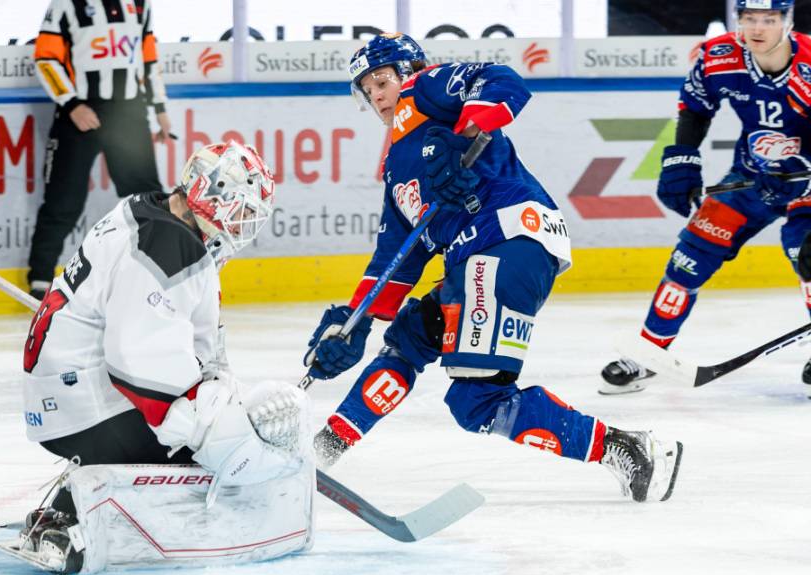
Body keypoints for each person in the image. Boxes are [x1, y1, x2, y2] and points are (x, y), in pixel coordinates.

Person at [304, 33, 683, 503]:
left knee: (476, 400)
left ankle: (628, 448)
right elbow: (395, 258)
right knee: (407, 340)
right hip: (476, 258)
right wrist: (353, 323)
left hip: (507, 239)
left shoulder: (427, 89)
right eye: (368, 89)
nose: (378, 94)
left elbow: (501, 80)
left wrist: (466, 134)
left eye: (382, 80)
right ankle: (323, 449)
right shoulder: (397, 167)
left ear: (408, 70)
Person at [7, 143, 313, 573]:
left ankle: (65, 507)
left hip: (65, 396)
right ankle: (75, 520)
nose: (244, 226)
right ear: (214, 195)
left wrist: (214, 394)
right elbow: (137, 362)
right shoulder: (168, 243)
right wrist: (211, 429)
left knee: (202, 427)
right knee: (205, 455)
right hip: (85, 406)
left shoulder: (151, 212)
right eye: (243, 211)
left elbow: (178, 341)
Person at [600, 0, 811, 396]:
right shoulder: (721, 56)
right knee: (690, 257)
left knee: (805, 252)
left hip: (809, 184)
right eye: (749, 18)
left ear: (789, 20)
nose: (758, 28)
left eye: (769, 19)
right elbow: (695, 108)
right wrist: (682, 161)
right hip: (751, 178)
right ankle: (650, 352)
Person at [28, 0, 174, 300]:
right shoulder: (66, 5)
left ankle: (163, 271)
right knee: (62, 202)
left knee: (147, 199)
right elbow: (45, 58)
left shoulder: (139, 3)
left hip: (129, 114)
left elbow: (148, 58)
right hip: (80, 116)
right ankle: (40, 280)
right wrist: (71, 104)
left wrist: (159, 107)